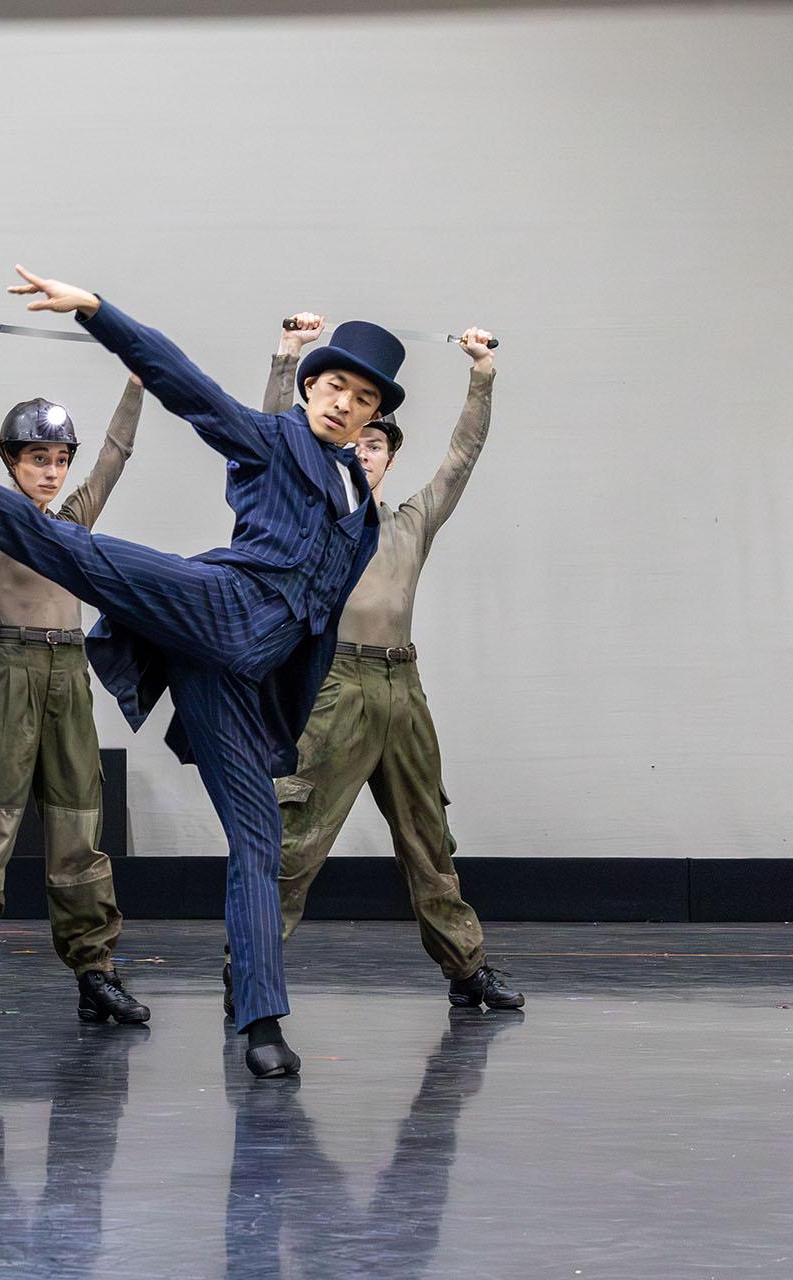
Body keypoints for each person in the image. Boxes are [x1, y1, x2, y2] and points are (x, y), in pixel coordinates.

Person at [0, 266, 396, 1077]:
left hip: (243, 679)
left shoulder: (365, 513)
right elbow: (188, 388)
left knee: (258, 842)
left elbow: (319, 627)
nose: (341, 402)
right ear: (312, 385)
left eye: (360, 398)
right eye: (332, 384)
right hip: (221, 604)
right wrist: (98, 313)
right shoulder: (275, 438)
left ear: (374, 418)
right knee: (81, 553)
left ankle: (261, 1025)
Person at [250, 312, 521, 1011]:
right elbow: (274, 437)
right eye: (357, 440)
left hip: (403, 684)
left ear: (390, 457)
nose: (365, 450)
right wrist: (288, 357)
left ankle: (468, 971)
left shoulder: (412, 521)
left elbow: (462, 455)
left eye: (378, 443)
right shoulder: (313, 510)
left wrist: (481, 377)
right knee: (296, 840)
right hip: (335, 688)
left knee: (428, 835)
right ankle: (248, 966)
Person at [0, 312, 150, 1032]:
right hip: (10, 673)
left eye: (59, 460)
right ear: (11, 462)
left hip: (71, 676)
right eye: (37, 461)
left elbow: (116, 453)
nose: (52, 473)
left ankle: (95, 970)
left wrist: (136, 377)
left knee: (79, 831)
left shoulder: (75, 519)